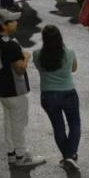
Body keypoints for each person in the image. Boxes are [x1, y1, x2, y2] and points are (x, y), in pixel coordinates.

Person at [0, 10, 44, 168]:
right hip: (14, 90)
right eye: (12, 21)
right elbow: (19, 69)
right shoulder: (10, 44)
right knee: (18, 123)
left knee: (8, 122)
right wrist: (26, 57)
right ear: (4, 25)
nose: (16, 23)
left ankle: (11, 153)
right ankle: (21, 156)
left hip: (1, 89)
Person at [34, 24, 81, 169]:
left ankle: (67, 156)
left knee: (58, 127)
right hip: (68, 92)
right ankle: (70, 155)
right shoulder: (69, 52)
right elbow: (74, 69)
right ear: (60, 37)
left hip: (48, 95)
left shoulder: (37, 54)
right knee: (74, 124)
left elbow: (40, 68)